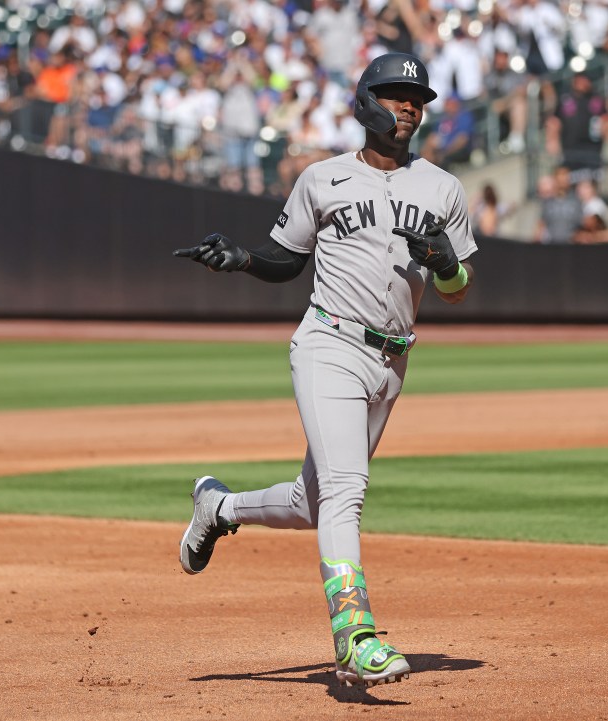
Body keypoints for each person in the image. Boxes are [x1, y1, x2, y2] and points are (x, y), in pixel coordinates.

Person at [172, 52, 477, 688]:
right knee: (347, 490)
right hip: (328, 343)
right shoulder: (322, 179)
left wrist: (447, 263)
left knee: (314, 500)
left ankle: (218, 508)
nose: (409, 106)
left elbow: (456, 290)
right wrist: (244, 260)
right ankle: (354, 632)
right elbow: (287, 260)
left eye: (416, 97)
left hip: (392, 360)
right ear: (367, 101)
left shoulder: (443, 189)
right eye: (396, 94)